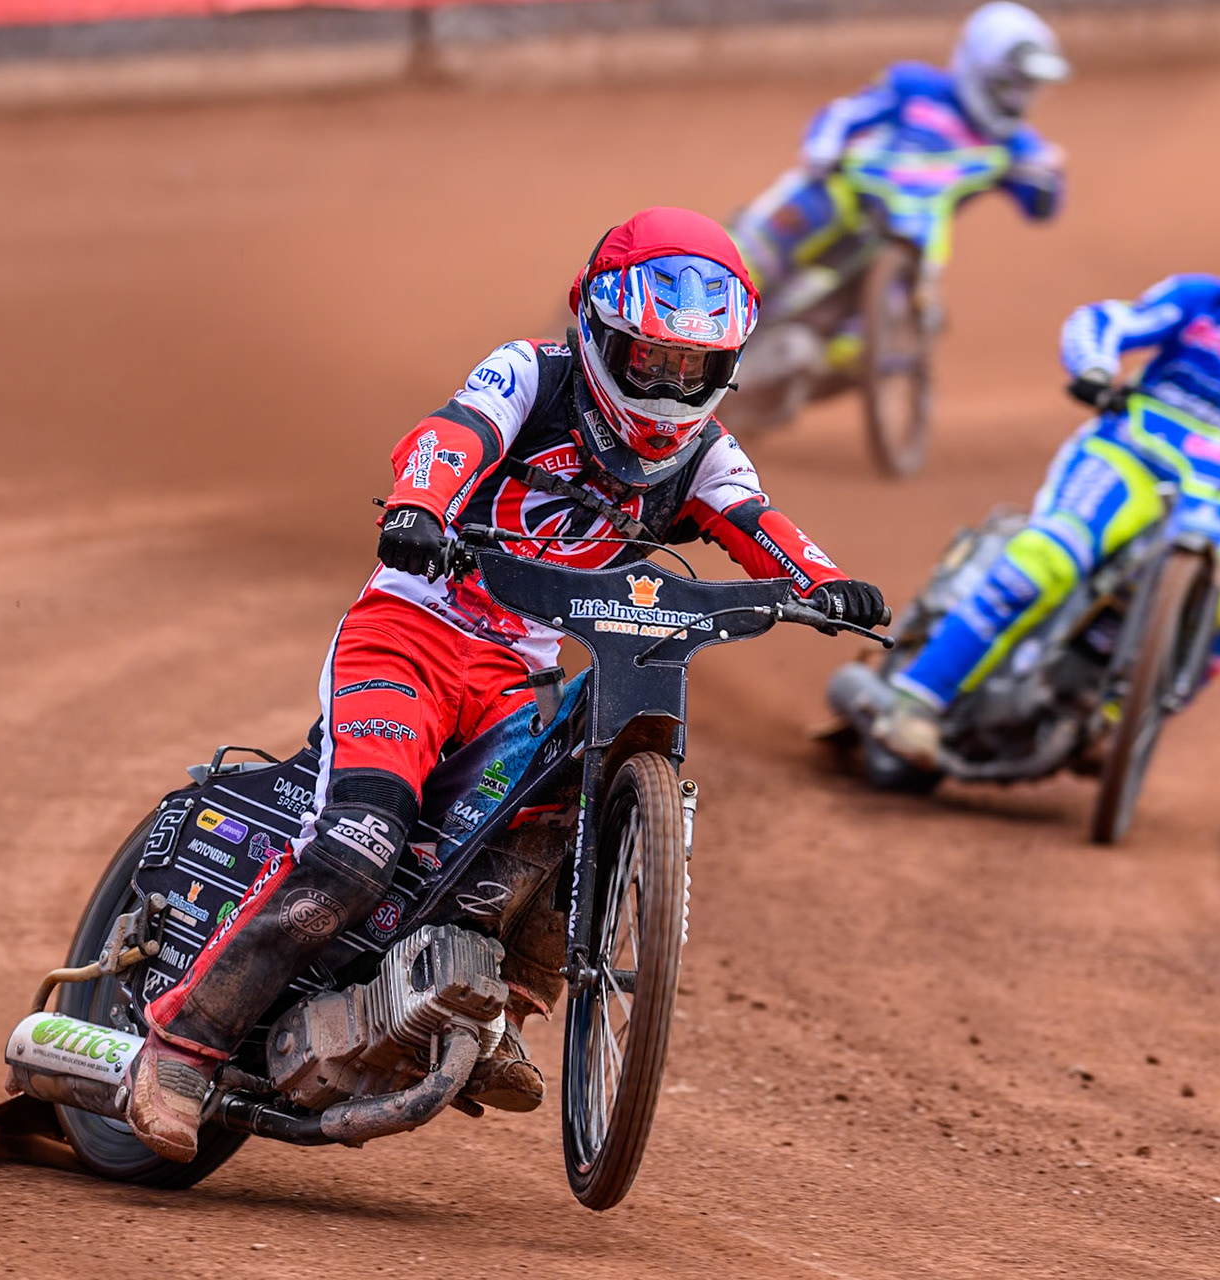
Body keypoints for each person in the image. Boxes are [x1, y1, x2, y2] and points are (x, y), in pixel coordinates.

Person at [125, 207, 890, 1161]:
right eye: (650, 358)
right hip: (408, 636)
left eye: (692, 368)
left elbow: (756, 521)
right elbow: (451, 436)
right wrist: (420, 506)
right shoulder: (532, 373)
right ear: (598, 328)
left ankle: (500, 1012)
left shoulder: (706, 453)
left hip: (514, 676)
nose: (667, 387)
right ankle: (181, 1049)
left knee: (565, 808)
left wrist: (824, 583)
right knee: (360, 845)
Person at [874, 184, 1220, 767]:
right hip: (1126, 459)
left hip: (1213, 497)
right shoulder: (1197, 301)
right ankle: (914, 702)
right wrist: (1094, 368)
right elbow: (1106, 321)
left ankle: (1115, 724)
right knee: (1048, 559)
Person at [730, 0, 1069, 367]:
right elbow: (846, 113)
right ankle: (724, 281)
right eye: (1010, 83)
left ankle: (808, 365)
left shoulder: (1016, 143)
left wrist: (1049, 180)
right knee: (784, 227)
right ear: (981, 69)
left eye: (1029, 87)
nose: (1018, 97)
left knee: (886, 325)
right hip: (850, 190)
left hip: (910, 241)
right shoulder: (915, 86)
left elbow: (1041, 203)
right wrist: (823, 146)